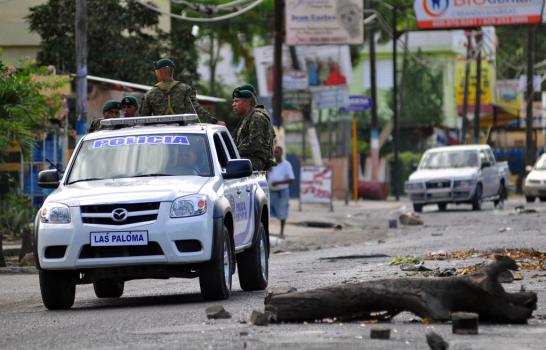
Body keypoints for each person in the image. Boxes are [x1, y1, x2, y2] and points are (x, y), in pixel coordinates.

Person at [140, 58, 220, 124]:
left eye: (156, 72)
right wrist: (215, 122)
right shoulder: (185, 89)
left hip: (160, 136)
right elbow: (196, 109)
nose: (156, 74)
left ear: (161, 72)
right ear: (172, 71)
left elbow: (144, 118)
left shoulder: (150, 93)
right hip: (182, 133)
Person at [232, 83, 275, 171]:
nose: (233, 104)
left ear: (247, 102)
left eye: (236, 101)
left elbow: (255, 145)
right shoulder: (248, 117)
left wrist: (232, 151)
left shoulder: (257, 117)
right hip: (249, 162)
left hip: (254, 163)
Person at [268, 146, 295, 238]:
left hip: (282, 192)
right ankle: (267, 231)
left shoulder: (286, 165)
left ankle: (281, 232)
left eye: (278, 152)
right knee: (268, 212)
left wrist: (278, 182)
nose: (276, 154)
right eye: (275, 152)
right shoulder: (271, 164)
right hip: (271, 191)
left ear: (282, 153)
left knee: (283, 212)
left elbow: (291, 179)